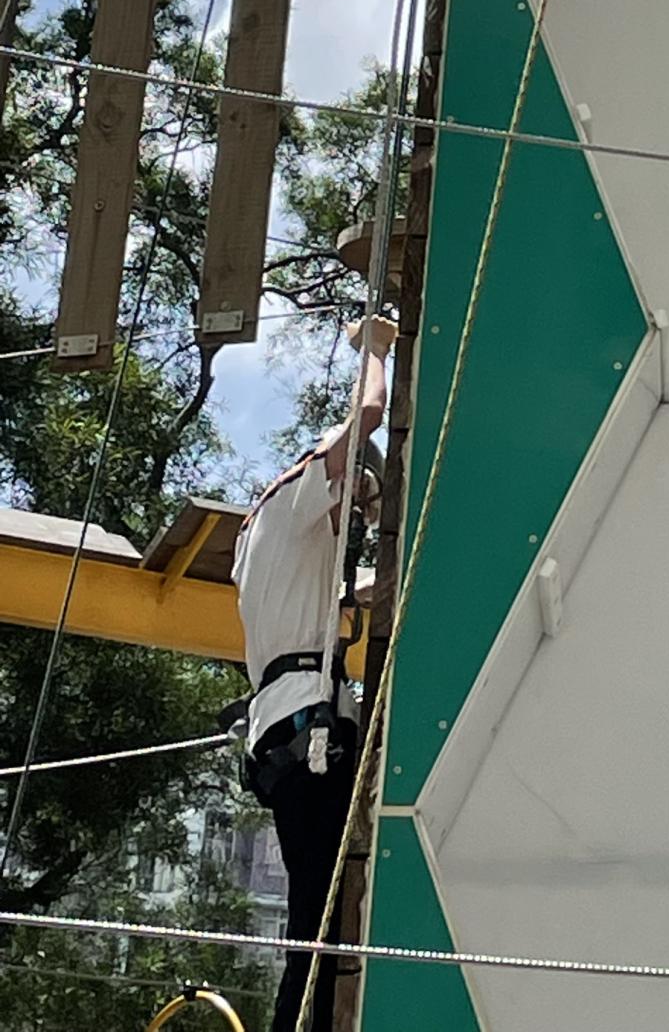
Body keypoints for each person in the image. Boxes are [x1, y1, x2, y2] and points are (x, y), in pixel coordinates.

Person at [234, 315, 392, 1032]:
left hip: (288, 737)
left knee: (314, 919)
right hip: (309, 739)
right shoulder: (295, 498)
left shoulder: (264, 549)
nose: (352, 508)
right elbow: (367, 416)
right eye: (351, 494)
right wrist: (374, 352)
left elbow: (358, 596)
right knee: (320, 920)